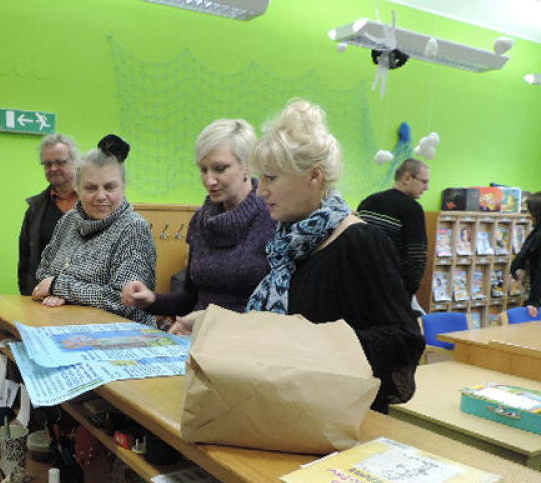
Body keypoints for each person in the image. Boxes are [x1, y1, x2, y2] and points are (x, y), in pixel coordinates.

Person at [173, 99, 424, 414]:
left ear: (314, 176)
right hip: (290, 408)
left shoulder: (359, 243)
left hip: (337, 417)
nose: (261, 190)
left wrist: (304, 344)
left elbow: (402, 343)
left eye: (271, 178)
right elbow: (276, 329)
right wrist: (216, 323)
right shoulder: (289, 243)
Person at [120, 119, 275, 334]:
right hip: (199, 337)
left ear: (246, 165)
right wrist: (151, 300)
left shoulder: (273, 217)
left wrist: (209, 321)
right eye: (203, 170)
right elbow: (190, 299)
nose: (209, 180)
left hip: (249, 341)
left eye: (220, 168)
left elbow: (280, 310)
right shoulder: (201, 221)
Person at [32, 134, 156, 325]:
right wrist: (55, 291)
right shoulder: (69, 220)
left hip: (120, 337)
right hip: (64, 327)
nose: (100, 196)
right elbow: (43, 273)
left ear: (123, 187)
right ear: (77, 188)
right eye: (90, 188)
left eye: (110, 187)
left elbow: (125, 301)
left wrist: (60, 288)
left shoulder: (133, 228)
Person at [357, 158, 429, 310]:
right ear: (407, 178)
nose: (427, 188)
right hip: (393, 292)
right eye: (424, 182)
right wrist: (408, 291)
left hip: (361, 284)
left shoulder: (368, 202)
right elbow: (417, 256)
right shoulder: (413, 209)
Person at [18, 133, 81, 295]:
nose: (53, 169)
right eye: (47, 164)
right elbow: (25, 260)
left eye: (60, 162)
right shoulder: (35, 208)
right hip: (42, 296)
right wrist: (27, 293)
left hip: (85, 296)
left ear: (76, 162)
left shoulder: (97, 203)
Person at [510, 193, 541, 318]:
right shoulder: (537, 231)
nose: (528, 215)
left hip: (536, 294)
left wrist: (534, 300)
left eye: (530, 211)